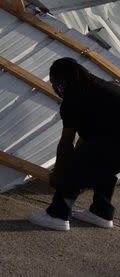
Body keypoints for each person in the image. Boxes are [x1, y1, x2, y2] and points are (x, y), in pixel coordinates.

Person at [29, 57, 120, 231]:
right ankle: (101, 212)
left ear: (61, 81)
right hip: (113, 141)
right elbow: (89, 136)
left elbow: (66, 143)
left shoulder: (73, 98)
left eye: (55, 82)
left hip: (113, 141)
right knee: (104, 166)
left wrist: (59, 173)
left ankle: (57, 215)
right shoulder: (102, 86)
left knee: (74, 166)